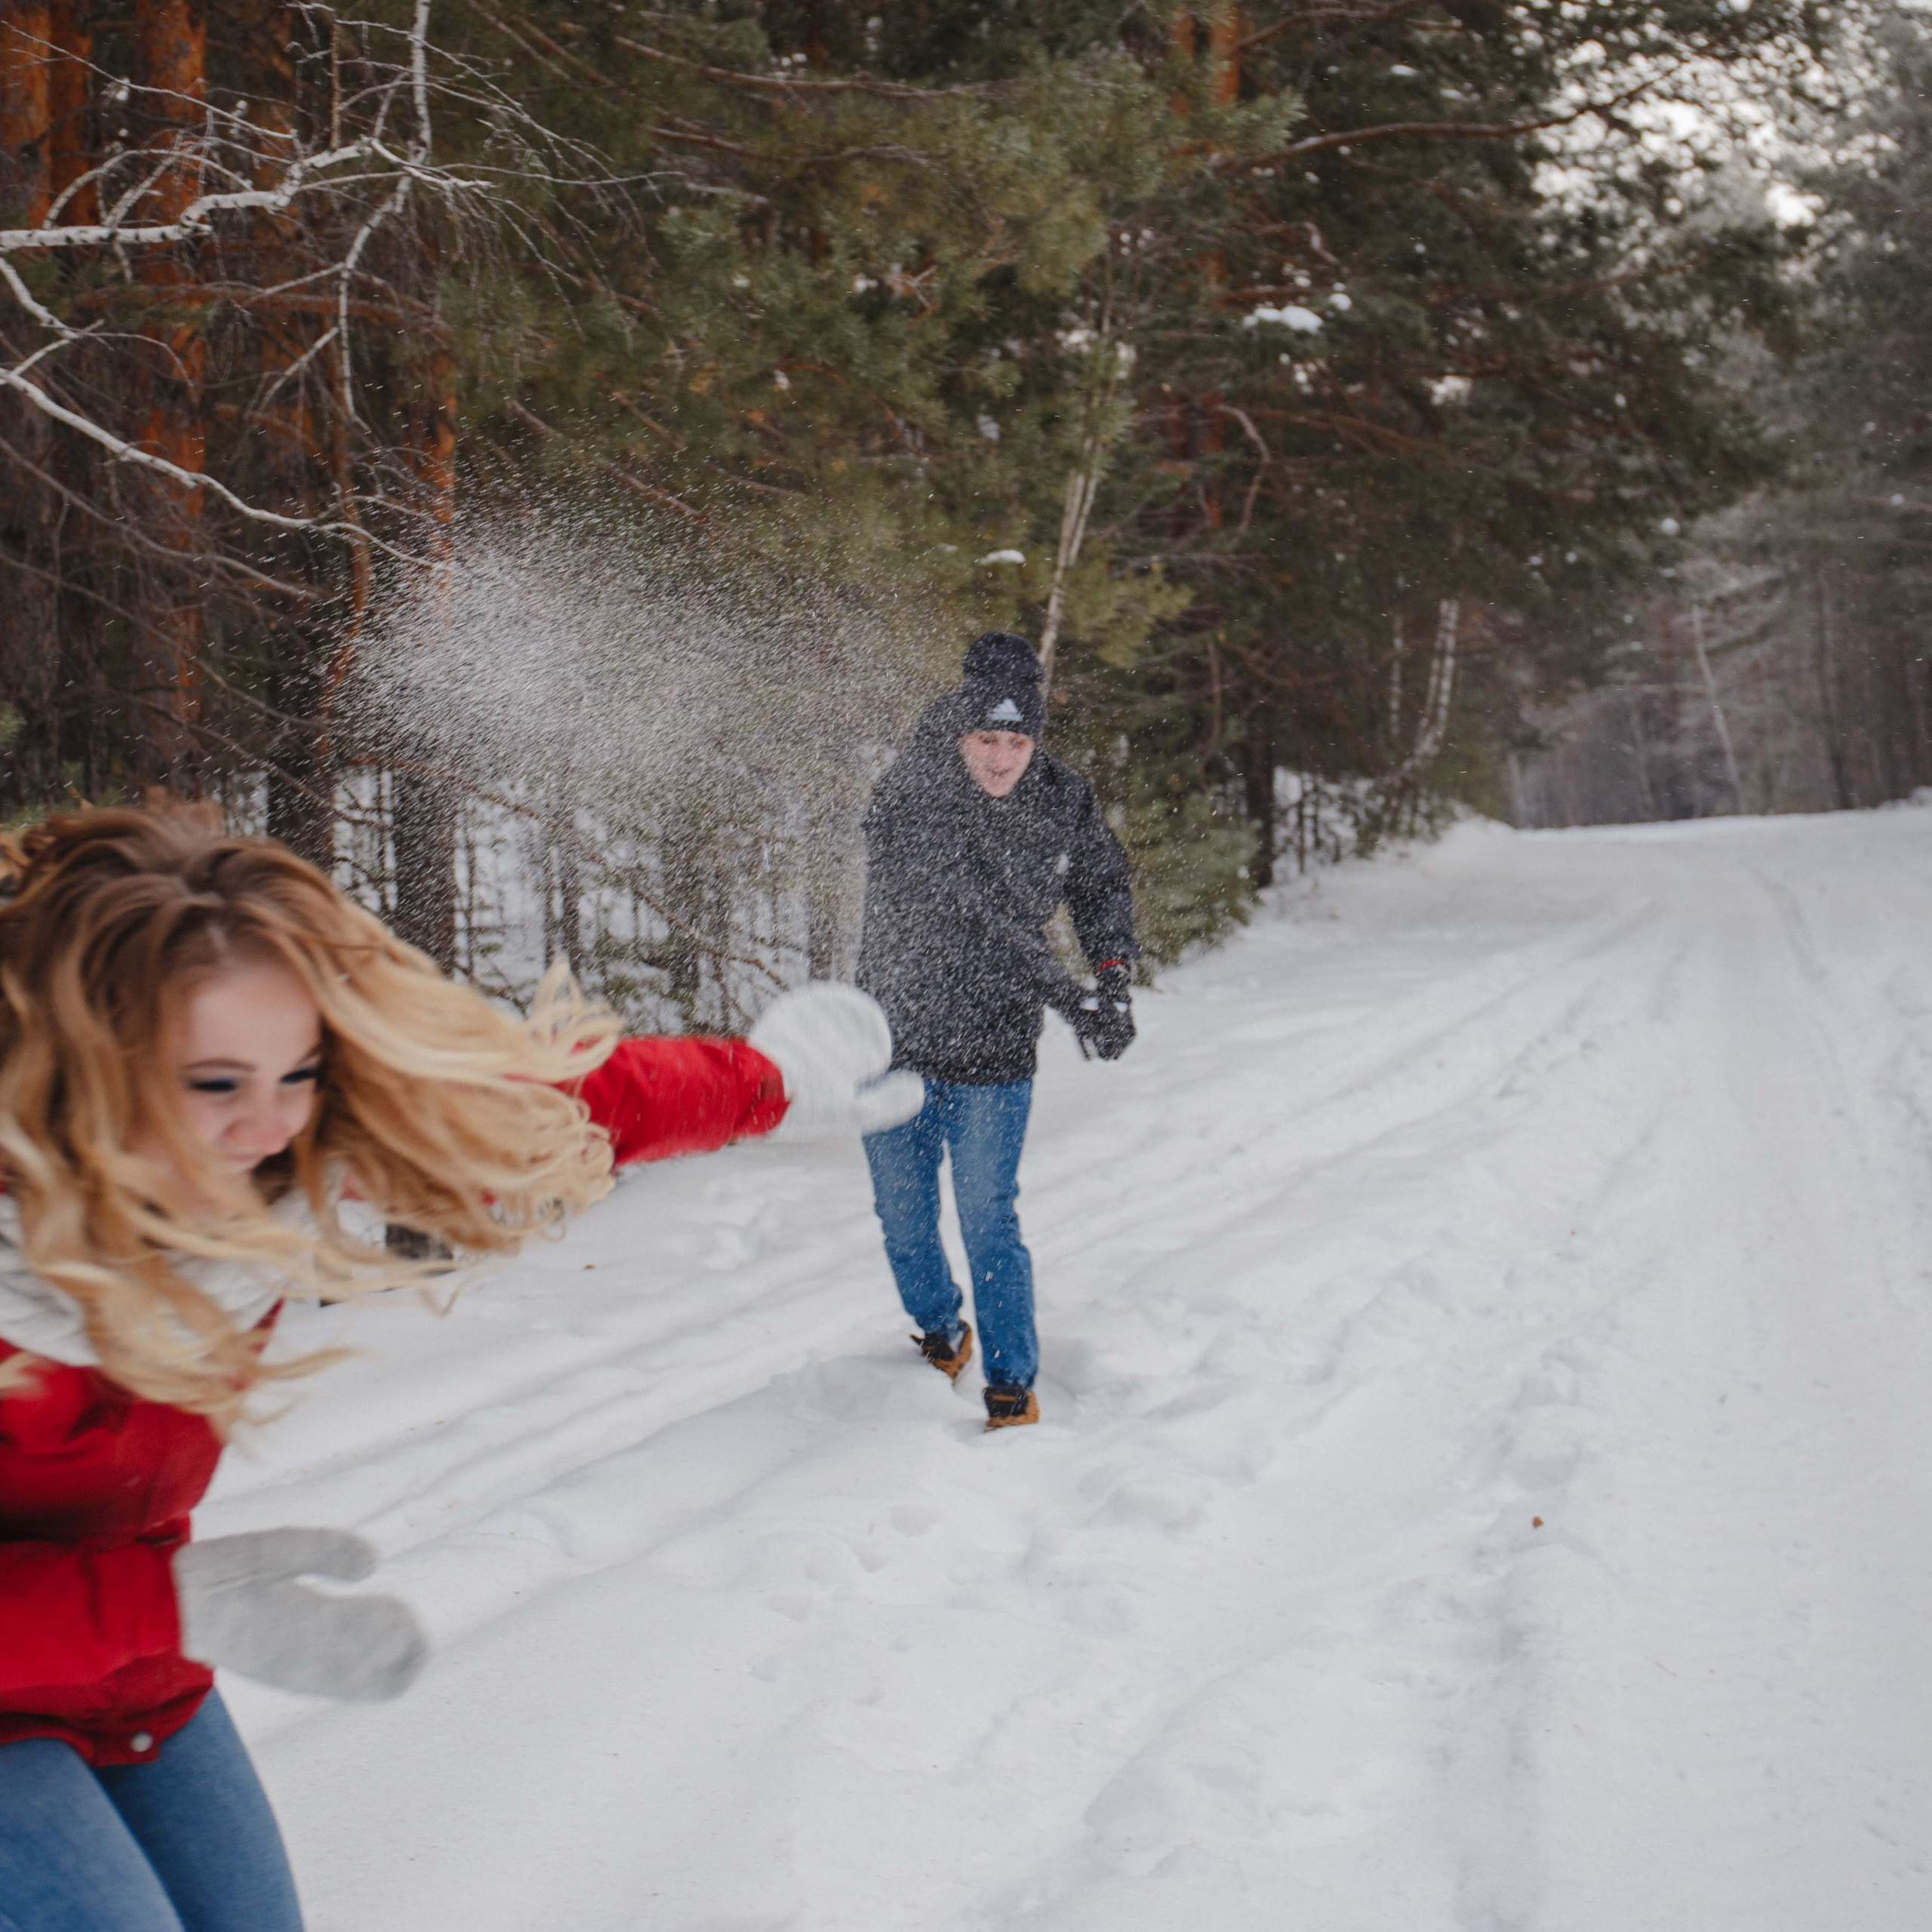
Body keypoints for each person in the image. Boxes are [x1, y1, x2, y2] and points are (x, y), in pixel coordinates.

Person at [0, 805, 921, 1931]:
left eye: (300, 1071)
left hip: (130, 1665)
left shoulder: (280, 1169)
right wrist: (159, 1601)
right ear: (81, 1056)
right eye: (214, 1084)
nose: (270, 1126)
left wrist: (764, 1083)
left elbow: (544, 1113)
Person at [857, 632, 1139, 1431]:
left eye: (1018, 741)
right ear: (960, 729)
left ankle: (1011, 1382)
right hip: (893, 1042)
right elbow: (974, 920)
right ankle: (942, 1332)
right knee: (904, 1218)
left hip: (994, 1052)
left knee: (988, 1218)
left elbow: (1101, 880)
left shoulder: (1059, 794)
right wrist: (1069, 996)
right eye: (987, 737)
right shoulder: (912, 790)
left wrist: (1111, 978)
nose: (1001, 757)